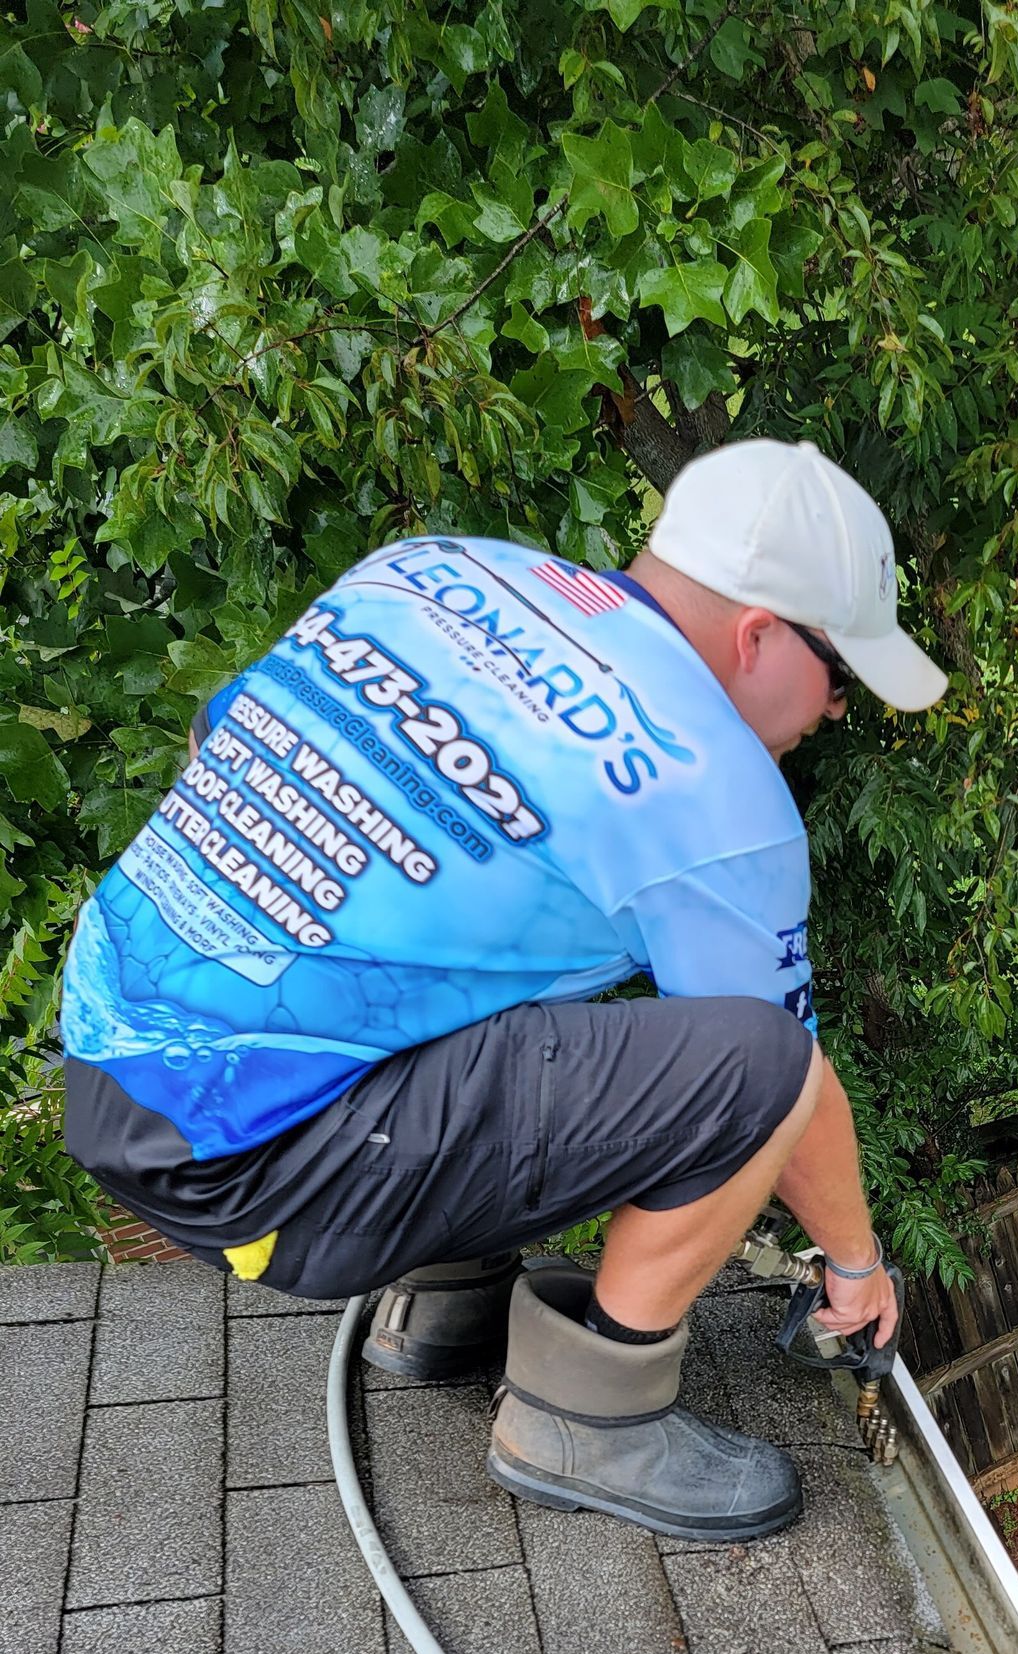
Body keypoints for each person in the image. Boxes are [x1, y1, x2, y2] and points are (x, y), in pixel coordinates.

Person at [61, 439, 946, 1544]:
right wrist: (857, 1272)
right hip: (253, 1173)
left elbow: (216, 735)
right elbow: (793, 1094)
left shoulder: (435, 571)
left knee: (487, 950)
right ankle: (589, 1416)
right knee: (760, 1066)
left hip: (105, 1045)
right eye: (841, 680)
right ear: (760, 634)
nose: (831, 715)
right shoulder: (713, 792)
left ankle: (443, 1301)